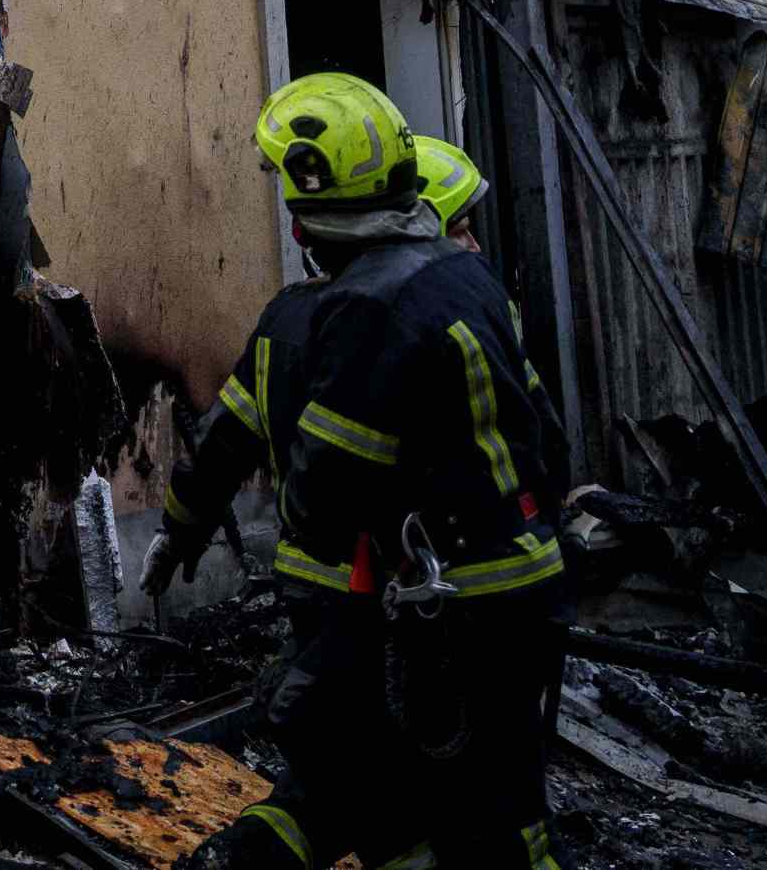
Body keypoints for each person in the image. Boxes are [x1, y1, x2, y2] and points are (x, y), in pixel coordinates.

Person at [143, 75, 569, 870]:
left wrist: (181, 525)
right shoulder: (467, 284)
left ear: (305, 222)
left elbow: (315, 488)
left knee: (388, 793)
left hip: (426, 605)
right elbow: (545, 437)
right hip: (491, 584)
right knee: (476, 798)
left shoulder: (350, 311)